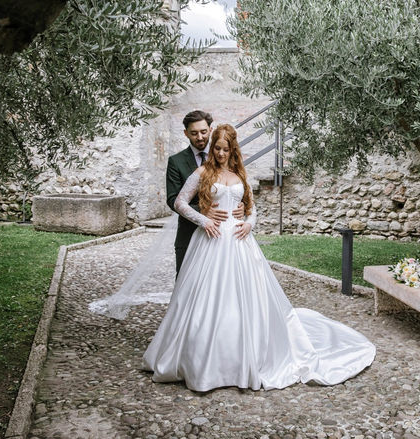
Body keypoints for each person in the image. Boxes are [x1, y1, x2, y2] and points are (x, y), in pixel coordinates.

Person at [143, 124, 375, 392]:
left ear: (233, 149)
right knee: (204, 299)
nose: (220, 153)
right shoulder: (203, 172)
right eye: (216, 148)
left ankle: (248, 354)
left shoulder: (240, 175)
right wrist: (204, 219)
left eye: (225, 149)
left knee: (245, 298)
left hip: (240, 242)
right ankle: (201, 359)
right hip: (210, 241)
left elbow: (252, 210)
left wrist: (249, 224)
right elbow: (180, 202)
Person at [166, 110, 244, 275]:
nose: (200, 137)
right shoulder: (176, 161)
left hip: (224, 238)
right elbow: (173, 199)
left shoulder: (224, 155)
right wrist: (203, 211)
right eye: (194, 133)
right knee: (187, 283)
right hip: (188, 233)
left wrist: (241, 205)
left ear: (210, 130)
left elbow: (236, 187)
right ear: (186, 133)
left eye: (203, 131)